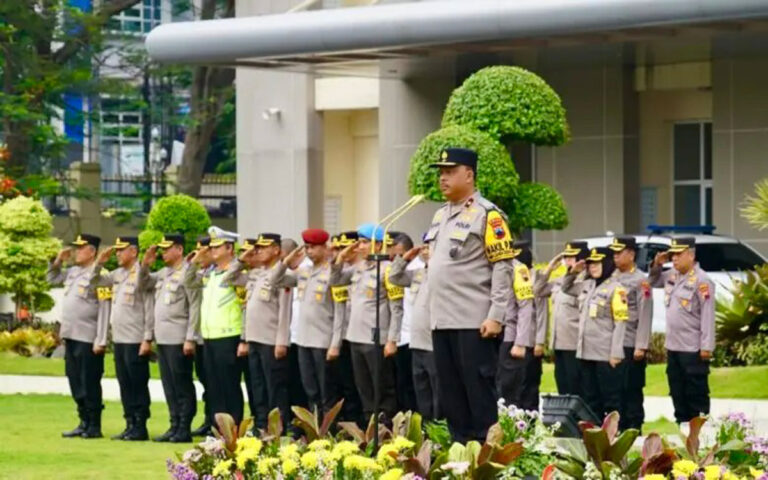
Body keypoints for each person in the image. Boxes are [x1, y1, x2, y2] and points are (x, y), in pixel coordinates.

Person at [425, 147, 514, 442]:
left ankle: (486, 455)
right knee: (451, 395)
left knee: (478, 394)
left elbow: (503, 266)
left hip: (474, 321)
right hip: (442, 320)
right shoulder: (440, 215)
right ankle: (461, 453)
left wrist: (496, 315)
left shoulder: (488, 215)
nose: (443, 178)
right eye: (441, 173)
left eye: (450, 172)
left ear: (469, 174)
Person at [332, 223, 402, 423]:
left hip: (377, 337)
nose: (359, 247)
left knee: (382, 389)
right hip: (355, 336)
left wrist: (392, 339)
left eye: (364, 242)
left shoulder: (388, 270)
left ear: (378, 245)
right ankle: (369, 429)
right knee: (363, 388)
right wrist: (340, 258)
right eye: (359, 242)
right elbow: (335, 281)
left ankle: (385, 428)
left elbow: (396, 308)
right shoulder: (357, 268)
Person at [47, 234, 110, 439]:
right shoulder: (73, 272)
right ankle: (83, 421)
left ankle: (94, 425)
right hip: (71, 336)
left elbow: (105, 309)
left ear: (92, 252)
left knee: (89, 381)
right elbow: (52, 279)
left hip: (88, 337)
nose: (76, 252)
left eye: (81, 248)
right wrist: (58, 261)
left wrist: (101, 339)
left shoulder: (101, 275)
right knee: (75, 380)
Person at [229, 233, 294, 429]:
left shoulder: (283, 276)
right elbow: (229, 278)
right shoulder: (256, 274)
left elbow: (285, 311)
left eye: (263, 247)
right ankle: (261, 424)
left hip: (271, 339)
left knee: (275, 386)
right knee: (258, 385)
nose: (258, 251)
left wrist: (281, 341)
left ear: (276, 249)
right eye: (257, 248)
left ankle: (278, 426)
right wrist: (241, 260)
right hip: (254, 338)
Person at [648, 237, 715, 425]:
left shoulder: (702, 280)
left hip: (692, 348)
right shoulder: (672, 275)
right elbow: (653, 281)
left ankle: (699, 431)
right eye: (672, 255)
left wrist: (706, 347)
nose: (674, 258)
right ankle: (682, 427)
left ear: (691, 255)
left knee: (695, 392)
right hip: (673, 346)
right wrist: (657, 265)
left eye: (678, 254)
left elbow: (708, 315)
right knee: (677, 390)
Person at [143, 234, 202, 442]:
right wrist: (145, 265)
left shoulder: (189, 273)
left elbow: (194, 306)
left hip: (179, 337)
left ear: (179, 249)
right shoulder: (163, 273)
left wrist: (190, 337)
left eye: (167, 248)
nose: (163, 252)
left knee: (181, 384)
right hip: (163, 338)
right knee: (169, 385)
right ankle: (174, 424)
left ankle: (184, 426)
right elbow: (143, 284)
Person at [93, 237, 153, 441]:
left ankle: (140, 425)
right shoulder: (117, 274)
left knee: (138, 384)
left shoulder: (142, 274)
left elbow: (148, 308)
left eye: (121, 250)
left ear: (133, 252)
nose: (117, 253)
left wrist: (147, 338)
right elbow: (94, 282)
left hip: (136, 339)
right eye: (116, 250)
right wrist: (99, 264)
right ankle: (129, 424)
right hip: (119, 339)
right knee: (125, 384)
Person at [276, 229, 339, 416]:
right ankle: (315, 427)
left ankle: (329, 429)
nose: (309, 251)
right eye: (307, 248)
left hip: (323, 339)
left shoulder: (333, 272)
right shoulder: (304, 272)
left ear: (325, 247)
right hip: (303, 340)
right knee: (310, 390)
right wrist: (286, 261)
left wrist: (335, 343)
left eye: (313, 247)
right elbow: (275, 280)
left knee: (327, 391)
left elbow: (339, 311)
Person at [562, 247, 629, 420]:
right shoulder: (588, 285)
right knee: (590, 397)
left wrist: (616, 353)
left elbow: (620, 322)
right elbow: (566, 288)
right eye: (590, 264)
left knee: (610, 397)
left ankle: (613, 431)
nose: (593, 267)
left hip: (605, 354)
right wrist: (573, 272)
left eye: (597, 263)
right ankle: (594, 431)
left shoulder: (616, 289)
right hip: (586, 352)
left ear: (607, 264)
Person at [388, 237, 440, 421]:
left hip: (434, 342)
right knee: (421, 391)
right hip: (417, 342)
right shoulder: (418, 273)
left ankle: (438, 428)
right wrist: (404, 259)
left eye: (429, 247)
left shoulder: (444, 274)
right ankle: (425, 428)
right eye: (423, 247)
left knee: (438, 392)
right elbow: (394, 277)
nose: (425, 251)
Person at [197, 229, 244, 425]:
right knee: (213, 385)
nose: (212, 250)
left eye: (217, 247)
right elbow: (187, 281)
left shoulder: (237, 274)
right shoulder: (210, 274)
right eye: (211, 247)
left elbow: (244, 305)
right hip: (209, 336)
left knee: (229, 385)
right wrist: (195, 260)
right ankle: (218, 428)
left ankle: (233, 427)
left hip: (229, 335)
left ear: (229, 248)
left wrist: (244, 338)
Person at [608, 236, 653, 431]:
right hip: (612, 342)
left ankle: (634, 426)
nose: (615, 256)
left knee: (631, 389)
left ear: (631, 254)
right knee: (615, 388)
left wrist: (641, 345)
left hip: (630, 340)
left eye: (619, 252)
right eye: (614, 253)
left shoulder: (640, 280)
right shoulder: (611, 277)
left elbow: (645, 313)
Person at [534, 242, 588, 396]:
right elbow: (537, 290)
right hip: (559, 343)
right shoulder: (560, 281)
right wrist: (550, 268)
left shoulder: (585, 283)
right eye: (566, 257)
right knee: (562, 385)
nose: (567, 260)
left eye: (572, 257)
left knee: (576, 387)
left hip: (575, 344)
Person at [497, 240, 545, 411]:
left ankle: (514, 425)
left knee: (510, 390)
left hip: (510, 337)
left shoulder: (519, 269)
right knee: (496, 388)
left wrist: (520, 342)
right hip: (492, 336)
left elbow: (526, 308)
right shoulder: (492, 267)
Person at [329, 231, 364, 425]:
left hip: (360, 334)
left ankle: (360, 422)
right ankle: (350, 422)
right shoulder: (344, 272)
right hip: (344, 334)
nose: (341, 251)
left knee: (358, 384)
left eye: (344, 247)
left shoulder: (363, 269)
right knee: (345, 384)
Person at [388, 232, 419, 414]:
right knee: (403, 385)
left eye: (401, 254)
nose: (397, 259)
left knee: (417, 386)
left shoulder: (417, 270)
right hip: (402, 335)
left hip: (417, 337)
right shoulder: (396, 270)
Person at [189, 236, 214, 436]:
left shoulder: (217, 274)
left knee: (216, 382)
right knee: (205, 380)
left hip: (214, 334)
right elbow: (186, 281)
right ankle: (208, 419)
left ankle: (217, 421)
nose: (199, 256)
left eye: (202, 252)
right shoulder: (200, 274)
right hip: (200, 334)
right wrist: (193, 263)